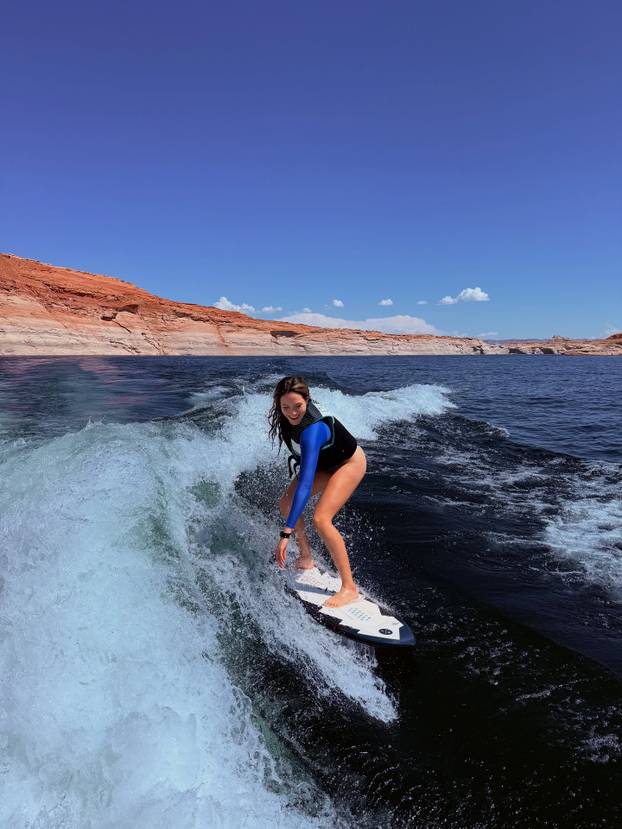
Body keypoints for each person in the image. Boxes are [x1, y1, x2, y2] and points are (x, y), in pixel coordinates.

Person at [268, 376, 367, 608]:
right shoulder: (286, 417)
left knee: (321, 519)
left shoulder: (312, 431)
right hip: (324, 464)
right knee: (286, 503)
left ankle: (349, 588)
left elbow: (305, 485)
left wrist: (285, 534)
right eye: (285, 407)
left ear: (307, 400)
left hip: (348, 462)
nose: (292, 413)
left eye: (298, 406)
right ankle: (306, 558)